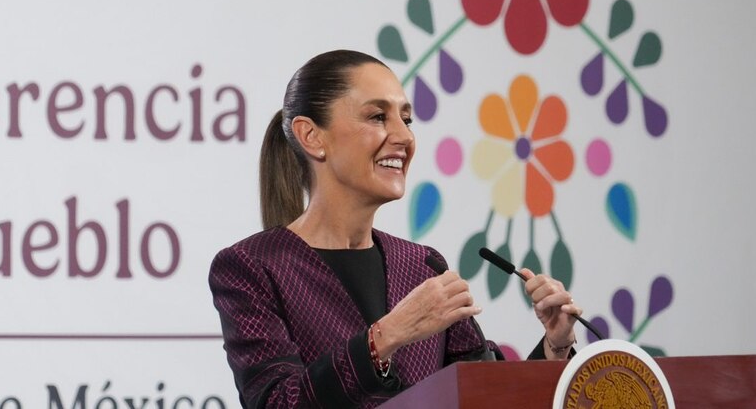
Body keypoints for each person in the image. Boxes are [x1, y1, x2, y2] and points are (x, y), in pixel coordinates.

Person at [208, 50, 582, 408]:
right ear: (311, 137)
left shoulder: (423, 265)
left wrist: (555, 346)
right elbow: (278, 401)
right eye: (377, 117)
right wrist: (386, 337)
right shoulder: (250, 267)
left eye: (406, 119)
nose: (404, 137)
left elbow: (487, 397)